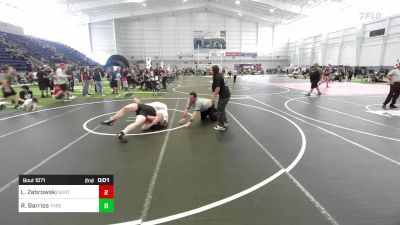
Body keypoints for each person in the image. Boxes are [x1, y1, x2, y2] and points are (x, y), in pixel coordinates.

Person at [100, 98, 168, 143]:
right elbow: (161, 118)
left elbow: (143, 128)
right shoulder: (163, 111)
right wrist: (155, 121)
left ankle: (122, 133)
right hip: (144, 107)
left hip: (147, 111)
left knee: (137, 123)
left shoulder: (155, 117)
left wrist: (152, 123)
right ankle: (111, 120)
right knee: (126, 108)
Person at [211, 65, 230, 131]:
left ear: (214, 70)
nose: (210, 71)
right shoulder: (220, 75)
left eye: (211, 70)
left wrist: (213, 98)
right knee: (222, 110)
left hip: (224, 95)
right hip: (225, 94)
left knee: (219, 110)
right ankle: (225, 122)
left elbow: (218, 88)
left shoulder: (217, 77)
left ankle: (220, 125)